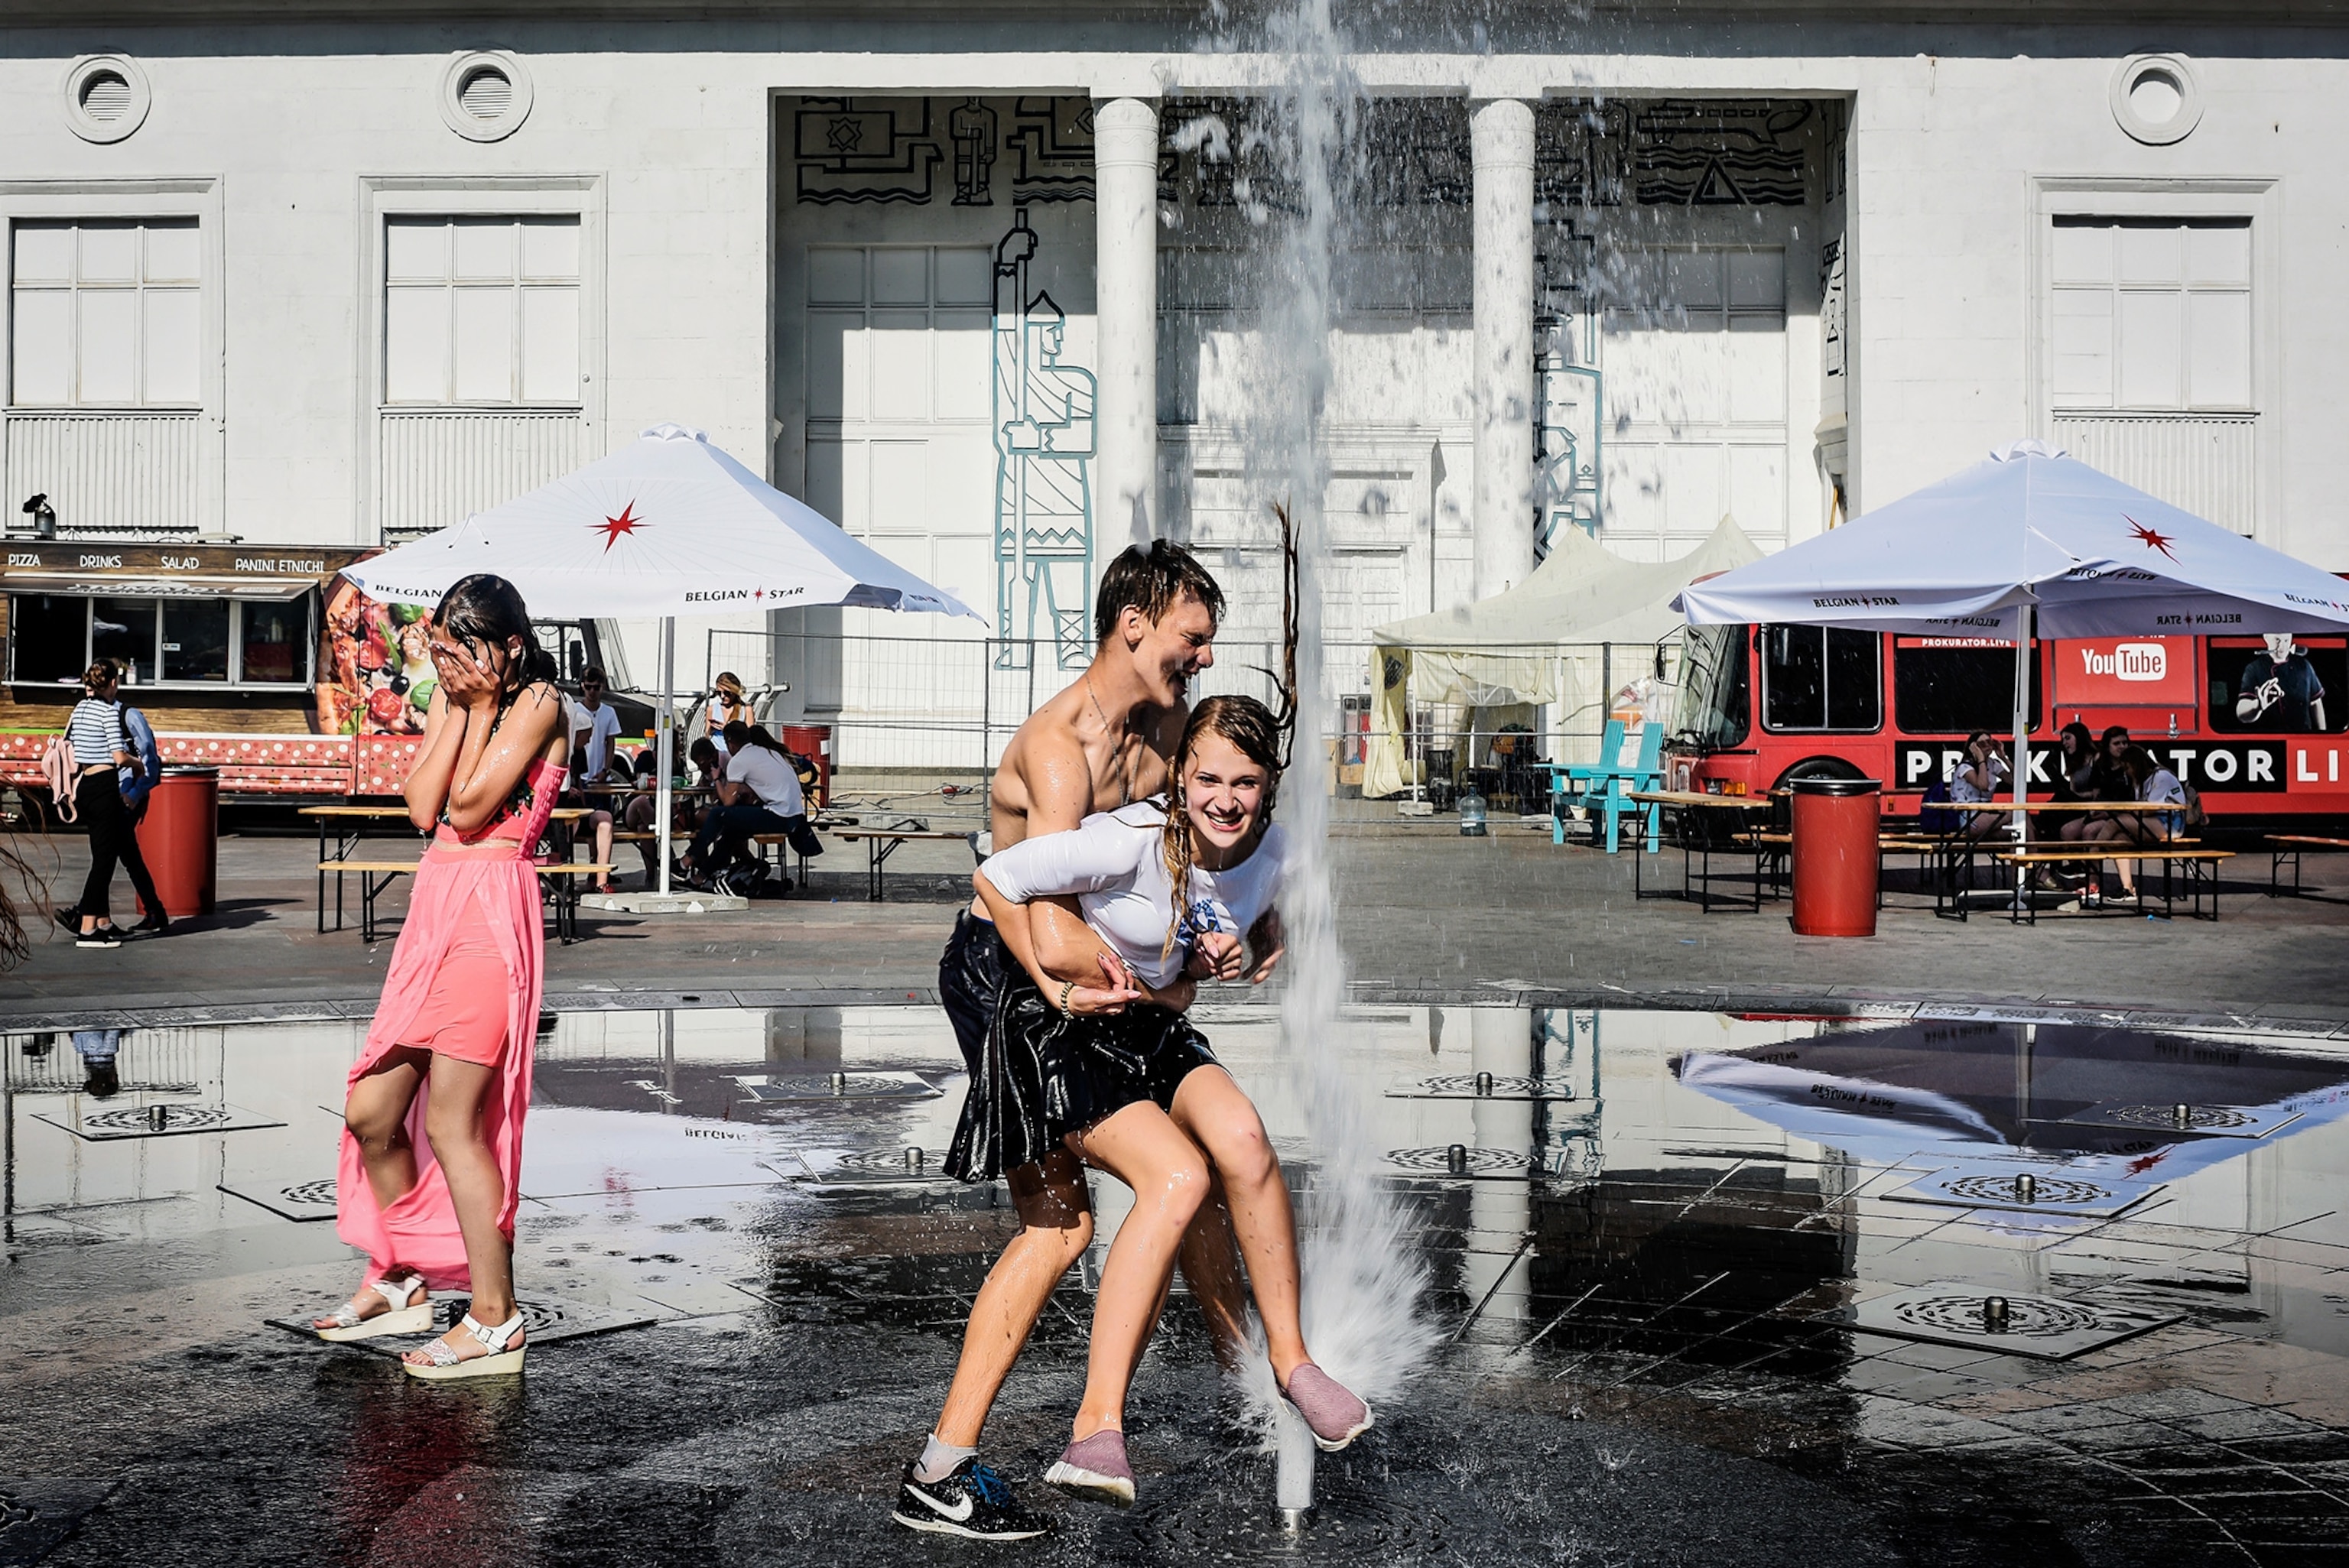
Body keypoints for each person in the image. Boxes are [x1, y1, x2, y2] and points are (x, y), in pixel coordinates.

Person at [894, 539, 1246, 1542]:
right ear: (1133, 624)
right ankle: (948, 1466)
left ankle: (1253, 1388)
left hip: (1089, 978)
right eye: (1194, 636)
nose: (1206, 656)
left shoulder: (1166, 723)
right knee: (1069, 1220)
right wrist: (1162, 974)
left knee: (1208, 1166)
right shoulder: (1062, 749)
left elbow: (1194, 843)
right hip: (1014, 982)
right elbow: (1042, 923)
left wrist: (1230, 924)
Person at [969, 673, 1372, 1511]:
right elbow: (996, 880)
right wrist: (1051, 983)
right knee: (1181, 1180)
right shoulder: (1126, 840)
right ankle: (1096, 1422)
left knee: (1247, 1140)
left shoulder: (1282, 849)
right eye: (1209, 780)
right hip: (1080, 1027)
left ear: (1270, 786)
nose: (1226, 800)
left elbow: (1254, 911)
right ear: (1181, 777)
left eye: (1247, 783)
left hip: (1151, 1022)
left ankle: (1292, 1361)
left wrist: (1254, 941)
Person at [308, 573, 566, 1379]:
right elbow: (422, 805)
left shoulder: (540, 704)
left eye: (463, 649)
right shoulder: (458, 699)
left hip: (492, 910)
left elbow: (471, 806)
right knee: (371, 1109)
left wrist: (478, 709)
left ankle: (495, 1319)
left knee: (455, 1120)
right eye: (443, 649)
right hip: (436, 909)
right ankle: (404, 1274)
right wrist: (458, 705)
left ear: (510, 646)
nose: (449, 665)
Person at [53, 661, 165, 949]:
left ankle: (95, 917)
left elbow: (151, 760)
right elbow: (117, 756)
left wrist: (136, 792)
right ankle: (94, 921)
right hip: (106, 791)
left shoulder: (114, 713)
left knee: (115, 855)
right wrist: (135, 765)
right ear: (113, 682)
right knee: (114, 857)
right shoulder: (102, 712)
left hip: (112, 792)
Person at [675, 722, 814, 891]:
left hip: (780, 815)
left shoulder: (739, 761)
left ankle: (685, 862)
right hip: (793, 815)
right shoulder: (768, 752)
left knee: (719, 815)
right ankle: (699, 878)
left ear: (730, 743)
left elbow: (727, 802)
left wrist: (717, 778)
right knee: (730, 832)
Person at [2076, 745, 2186, 906]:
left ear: (2136, 764)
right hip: (2151, 821)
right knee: (2118, 841)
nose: (2126, 772)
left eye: (2127, 767)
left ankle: (2092, 856)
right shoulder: (2139, 781)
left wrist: (2125, 814)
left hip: (2170, 824)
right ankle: (2128, 889)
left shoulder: (2161, 776)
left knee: (2115, 823)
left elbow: (2148, 809)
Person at [566, 667, 625, 891]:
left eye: (596, 687)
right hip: (579, 784)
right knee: (582, 822)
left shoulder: (608, 712)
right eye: (588, 687)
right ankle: (591, 871)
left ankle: (599, 871)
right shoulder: (575, 713)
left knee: (601, 817)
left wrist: (606, 769)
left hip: (598, 776)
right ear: (582, 686)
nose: (592, 691)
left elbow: (611, 742)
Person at [2237, 633, 2328, 732]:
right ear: (2266, 637)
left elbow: (2315, 702)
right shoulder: (2254, 668)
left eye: (2286, 641)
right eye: (2277, 640)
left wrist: (2323, 734)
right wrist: (2258, 705)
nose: (2283, 647)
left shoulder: (2304, 665)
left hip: (2303, 736)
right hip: (2271, 739)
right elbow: (2241, 713)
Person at [1947, 730, 2009, 842]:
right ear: (1974, 747)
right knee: (2018, 814)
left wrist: (2003, 757)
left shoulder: (1992, 763)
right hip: (1969, 818)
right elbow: (1983, 785)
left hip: (1987, 815)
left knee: (2022, 829)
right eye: (1982, 744)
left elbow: (2013, 781)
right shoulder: (1965, 768)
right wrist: (1981, 759)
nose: (1987, 746)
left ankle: (2025, 857)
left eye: (1990, 742)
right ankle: (2030, 857)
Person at [707, 670, 755, 743]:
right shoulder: (711, 709)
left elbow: (750, 737)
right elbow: (707, 735)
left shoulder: (746, 709)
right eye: (719, 693)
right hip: (716, 751)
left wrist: (727, 730)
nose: (722, 696)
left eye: (727, 693)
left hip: (737, 752)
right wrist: (711, 730)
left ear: (735, 692)